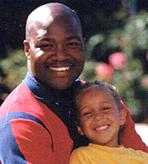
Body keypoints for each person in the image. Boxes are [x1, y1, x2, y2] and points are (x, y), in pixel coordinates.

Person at [0, 2, 147, 164]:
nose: (60, 55)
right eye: (47, 45)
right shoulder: (21, 122)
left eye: (71, 44)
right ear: (27, 49)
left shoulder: (101, 100)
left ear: (83, 45)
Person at [69, 81, 148, 163]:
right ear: (79, 127)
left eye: (105, 108)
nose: (98, 117)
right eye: (88, 113)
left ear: (121, 116)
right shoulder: (82, 156)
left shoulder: (143, 158)